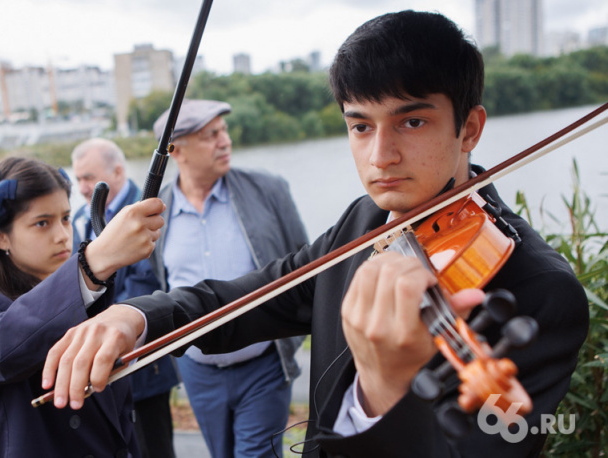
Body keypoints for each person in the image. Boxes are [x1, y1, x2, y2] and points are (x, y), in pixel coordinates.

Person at [40, 10, 590, 457]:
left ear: (468, 127)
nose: (381, 156)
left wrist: (382, 395)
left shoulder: (541, 290)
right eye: (360, 126)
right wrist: (136, 316)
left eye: (412, 121)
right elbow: (247, 297)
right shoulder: (364, 221)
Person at [0, 157, 165, 457]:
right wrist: (90, 264)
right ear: (0, 237)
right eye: (42, 223)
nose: (62, 235)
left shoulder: (89, 296)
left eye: (65, 218)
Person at [147, 99, 309, 457]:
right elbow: (159, 281)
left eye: (224, 130)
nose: (225, 141)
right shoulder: (156, 210)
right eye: (210, 135)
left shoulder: (269, 189)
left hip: (264, 364)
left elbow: (306, 263)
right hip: (199, 372)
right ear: (176, 151)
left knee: (256, 454)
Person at [71, 138, 180, 458]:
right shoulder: (80, 217)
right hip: (101, 363)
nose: (82, 187)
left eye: (89, 178)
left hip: (143, 361)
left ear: (117, 171)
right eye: (77, 179)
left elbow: (151, 283)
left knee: (153, 447)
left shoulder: (152, 208)